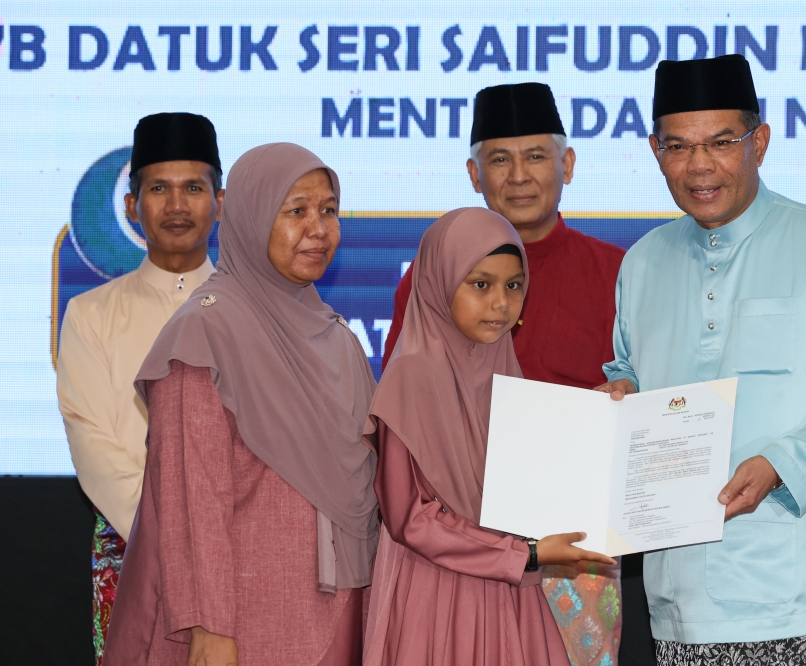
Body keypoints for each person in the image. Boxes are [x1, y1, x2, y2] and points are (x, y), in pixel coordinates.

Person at [597, 54, 806, 665]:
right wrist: (621, 394)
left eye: (721, 142)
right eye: (677, 147)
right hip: (678, 594)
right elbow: (626, 368)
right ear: (655, 152)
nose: (699, 165)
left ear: (758, 142)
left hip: (800, 593)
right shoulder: (642, 262)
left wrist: (780, 464)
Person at [103, 143, 378, 666]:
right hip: (245, 622)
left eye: (328, 211)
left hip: (343, 610)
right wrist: (210, 627)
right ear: (251, 216)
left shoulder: (336, 338)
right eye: (295, 211)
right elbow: (193, 500)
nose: (318, 229)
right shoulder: (204, 334)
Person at [383, 82, 628, 666]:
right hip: (457, 545)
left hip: (578, 545)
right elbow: (408, 420)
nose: (519, 176)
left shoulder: (619, 273)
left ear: (568, 164)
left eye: (536, 155)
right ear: (474, 173)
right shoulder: (432, 276)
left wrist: (630, 395)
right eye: (499, 159)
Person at [57, 112, 224, 665]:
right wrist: (174, 543)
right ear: (131, 205)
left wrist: (221, 545)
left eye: (193, 188)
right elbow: (94, 447)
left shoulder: (253, 313)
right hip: (130, 549)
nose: (177, 205)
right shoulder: (90, 315)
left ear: (220, 203)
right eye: (158, 189)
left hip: (239, 552)